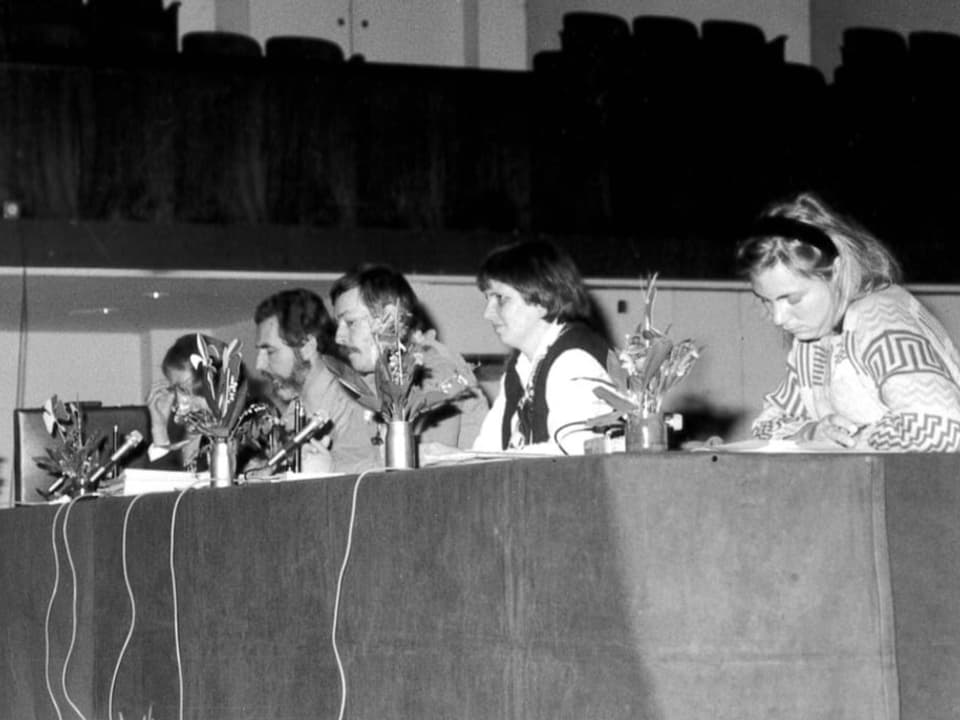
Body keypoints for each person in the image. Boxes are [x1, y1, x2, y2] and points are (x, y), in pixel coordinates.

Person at [736, 192, 960, 451]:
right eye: (766, 300)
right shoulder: (812, 340)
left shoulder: (880, 317)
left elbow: (943, 425)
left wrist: (850, 438)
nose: (778, 318)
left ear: (837, 271)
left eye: (793, 299)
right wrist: (812, 432)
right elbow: (766, 426)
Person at [471, 240, 614, 454]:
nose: (488, 313)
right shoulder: (518, 370)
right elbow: (485, 452)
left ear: (541, 301)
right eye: (487, 298)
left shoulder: (574, 359)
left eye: (500, 298)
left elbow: (576, 452)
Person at [330, 265, 488, 448]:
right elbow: (353, 453)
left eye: (350, 322)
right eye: (338, 325)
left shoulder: (433, 373)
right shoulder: (375, 379)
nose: (338, 338)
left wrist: (329, 465)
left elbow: (421, 469)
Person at [254, 288, 381, 474]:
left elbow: (379, 479)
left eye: (270, 351)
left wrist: (330, 470)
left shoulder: (354, 402)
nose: (260, 365)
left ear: (308, 346)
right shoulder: (294, 412)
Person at [146, 333, 272, 470]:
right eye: (175, 390)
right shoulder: (184, 429)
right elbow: (160, 488)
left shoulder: (256, 424)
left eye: (185, 390)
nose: (182, 405)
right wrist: (159, 430)